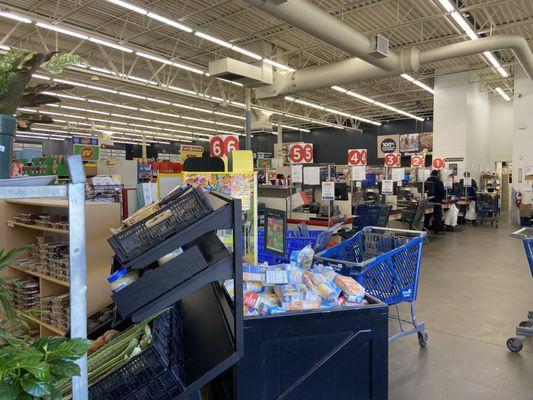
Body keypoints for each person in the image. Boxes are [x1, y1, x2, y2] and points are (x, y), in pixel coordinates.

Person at [424, 169, 446, 234]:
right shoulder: (439, 182)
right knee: (437, 216)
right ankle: (436, 230)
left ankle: (425, 228)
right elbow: (442, 192)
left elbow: (424, 190)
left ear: (431, 174)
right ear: (437, 174)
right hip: (437, 201)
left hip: (429, 201)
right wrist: (441, 197)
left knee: (427, 215)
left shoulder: (426, 181)